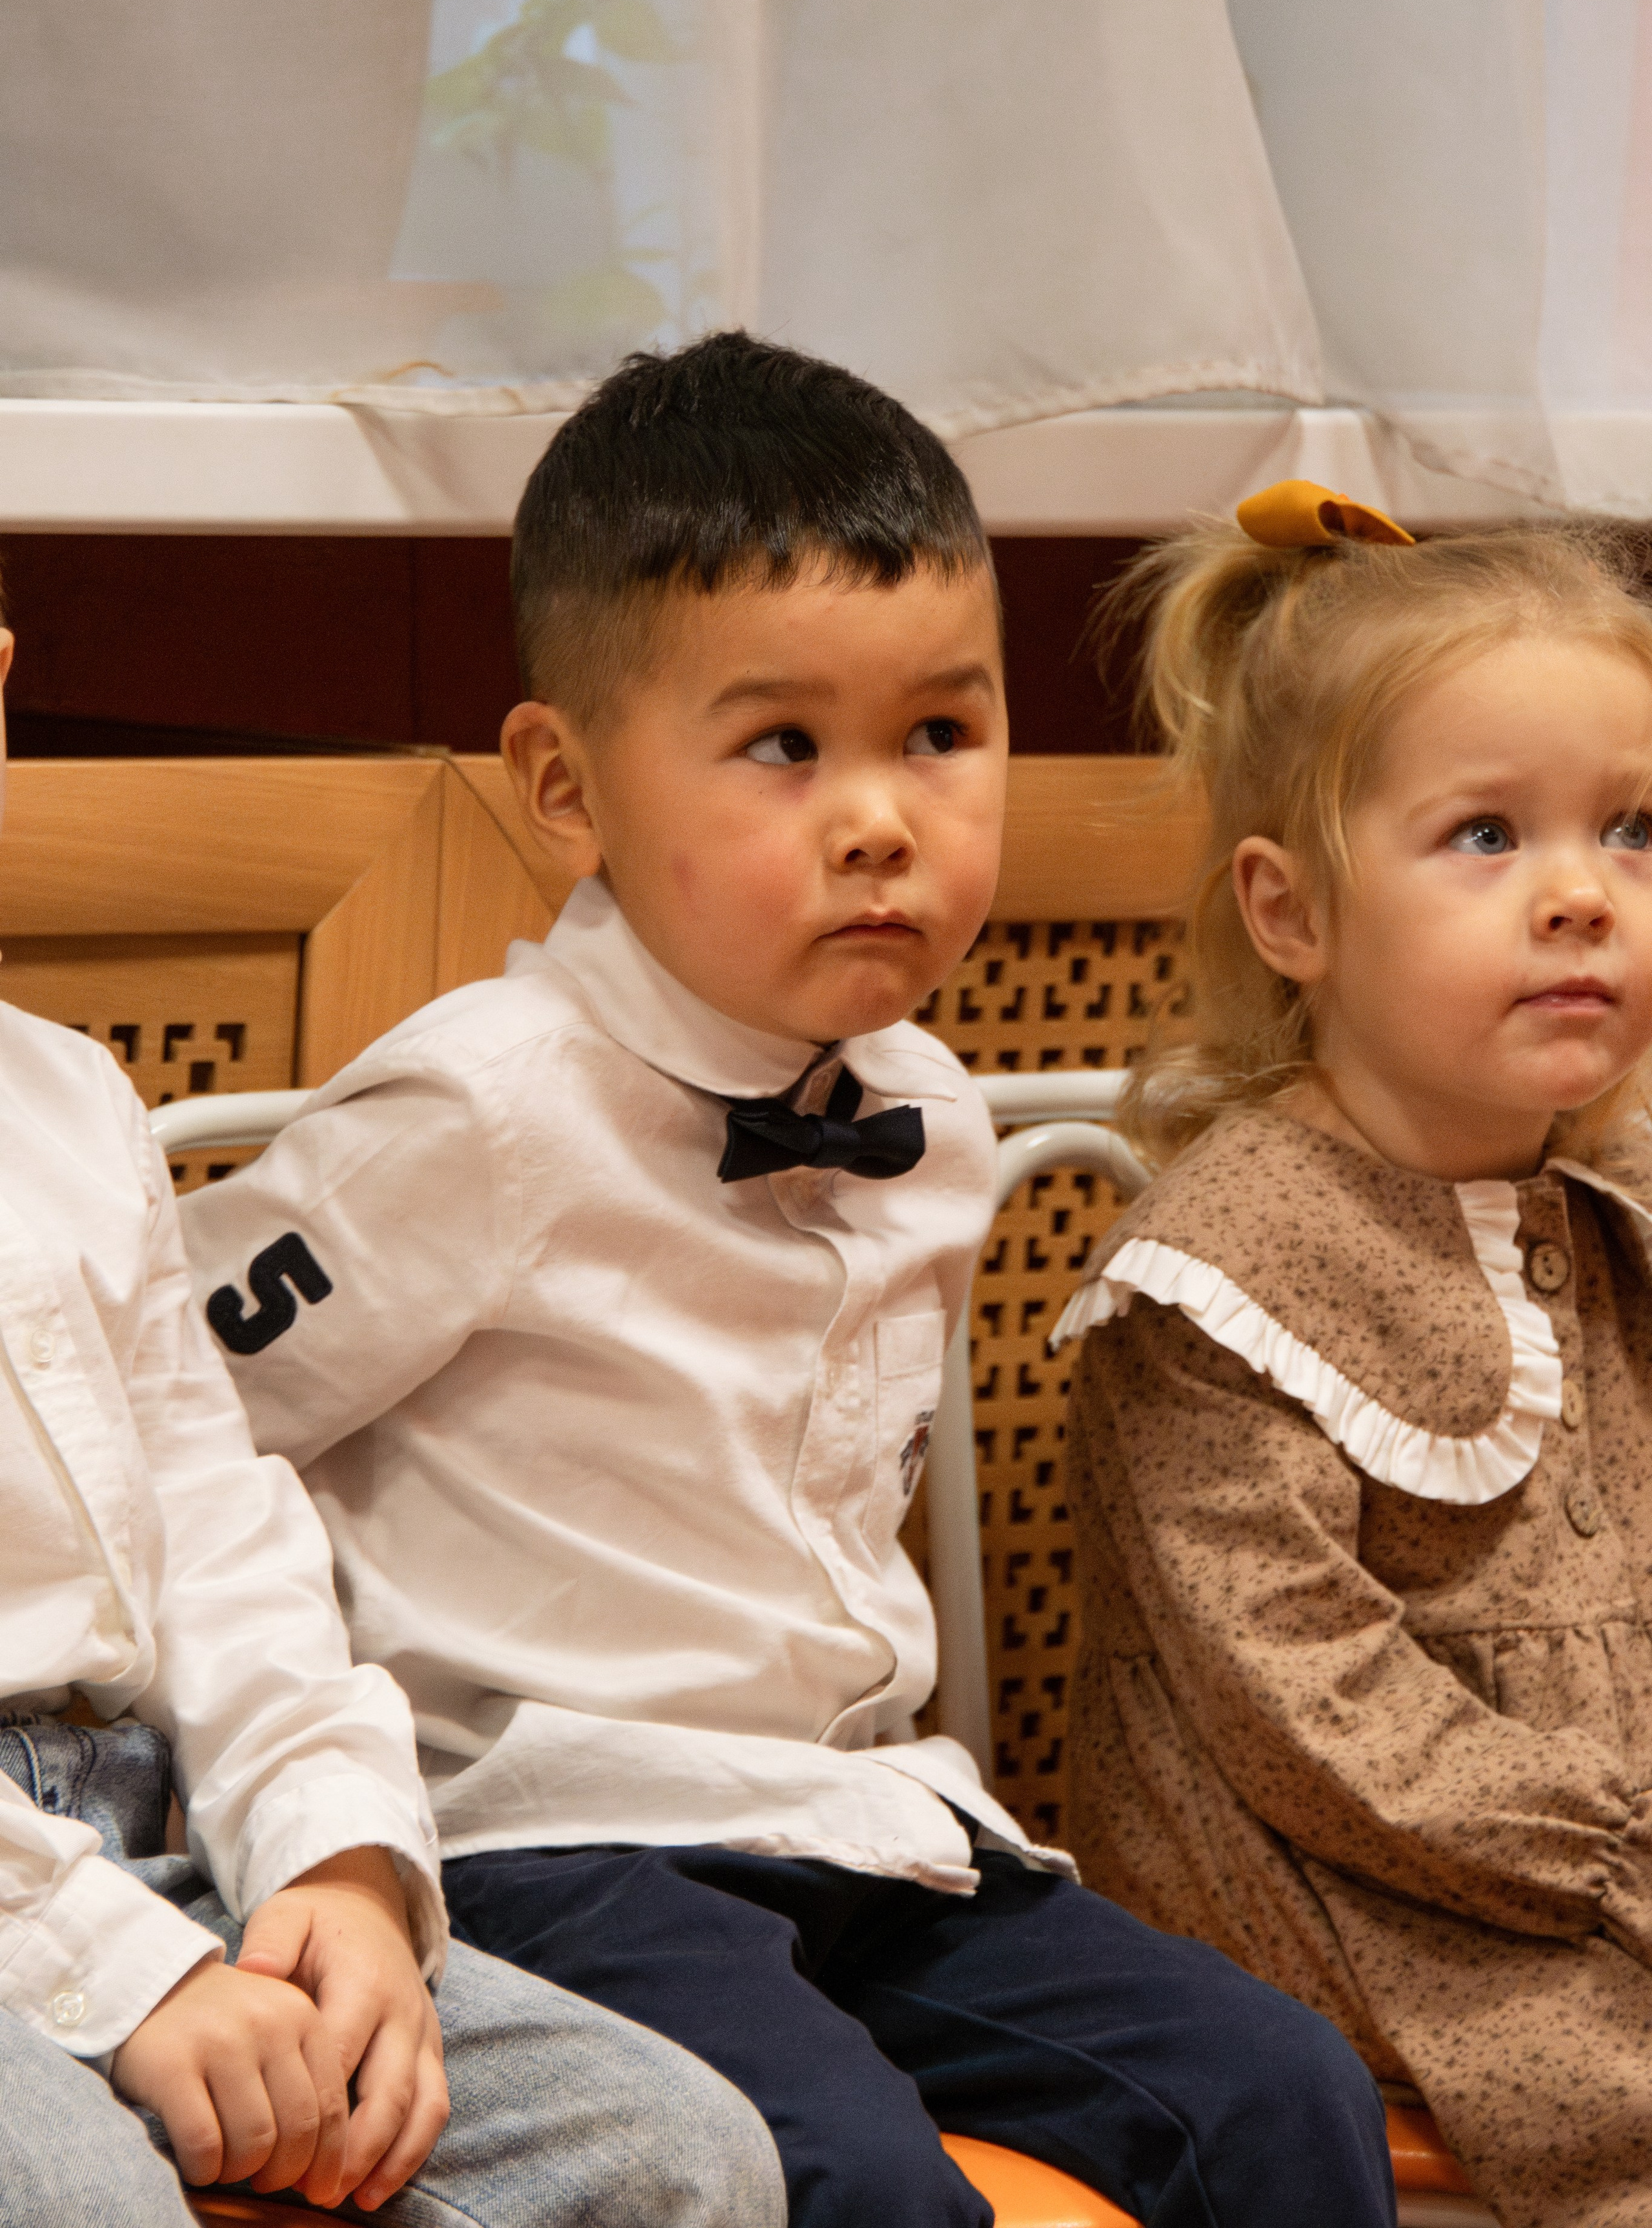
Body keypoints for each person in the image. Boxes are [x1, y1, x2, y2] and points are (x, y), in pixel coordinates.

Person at [180, 336, 1395, 2228]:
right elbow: (154, 1416)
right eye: (783, 747)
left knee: (1272, 2093)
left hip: (858, 1821)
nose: (882, 819)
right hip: (552, 1834)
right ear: (564, 788)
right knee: (850, 2181)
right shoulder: (478, 1112)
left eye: (939, 732)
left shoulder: (934, 1111)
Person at [0, 629, 785, 2227]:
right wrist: (118, 1982)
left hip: (145, 1828)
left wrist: (334, 1865)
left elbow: (217, 1542)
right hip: (41, 1916)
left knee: (675, 2161)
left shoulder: (67, 1100)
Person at [1056, 478, 1652, 2228]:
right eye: (1488, 836)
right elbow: (1316, 1714)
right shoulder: (1219, 1279)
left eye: (1633, 829)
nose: (1581, 896)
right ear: (1293, 913)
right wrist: (1615, 1856)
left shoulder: (1602, 1203)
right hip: (1367, 1908)